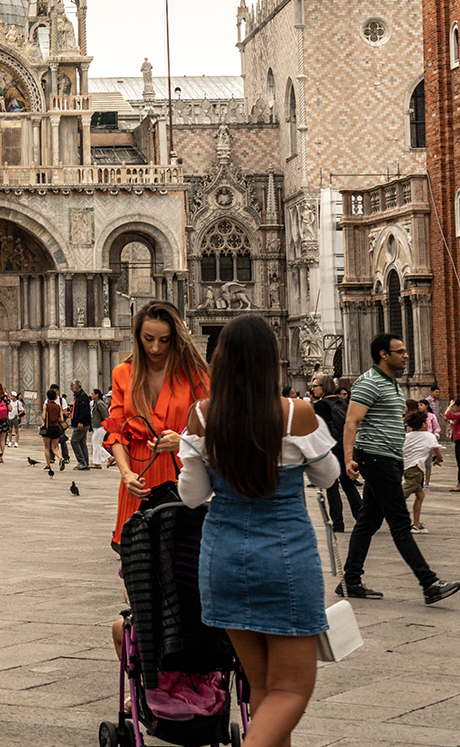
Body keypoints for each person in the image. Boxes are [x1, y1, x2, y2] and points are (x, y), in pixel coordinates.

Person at [178, 314, 338, 747]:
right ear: (271, 360)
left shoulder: (201, 416)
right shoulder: (295, 414)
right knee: (291, 691)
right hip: (285, 557)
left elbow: (191, 496)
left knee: (265, 691)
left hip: (223, 558)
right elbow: (327, 476)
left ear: (221, 361)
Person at [338, 334, 460, 603]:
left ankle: (350, 580)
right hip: (375, 458)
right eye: (400, 351)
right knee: (400, 522)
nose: (406, 355)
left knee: (368, 521)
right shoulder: (368, 382)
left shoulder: (392, 384)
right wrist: (349, 459)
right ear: (383, 354)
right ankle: (429, 583)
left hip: (389, 459)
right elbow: (351, 422)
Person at [103, 300, 210, 547]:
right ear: (137, 336)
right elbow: (117, 431)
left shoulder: (194, 373)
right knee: (135, 564)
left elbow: (214, 427)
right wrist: (126, 473)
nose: (155, 347)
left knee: (177, 561)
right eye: (148, 338)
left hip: (181, 472)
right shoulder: (123, 373)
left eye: (165, 340)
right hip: (137, 476)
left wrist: (182, 440)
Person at [308, 376, 361, 533]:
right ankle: (362, 518)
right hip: (345, 447)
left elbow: (319, 430)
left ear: (324, 387)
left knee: (332, 487)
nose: (313, 389)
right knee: (348, 485)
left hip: (330, 449)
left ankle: (338, 523)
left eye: (315, 386)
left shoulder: (321, 405)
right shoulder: (343, 402)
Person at [403, 410, 442, 532]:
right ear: (423, 424)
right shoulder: (429, 436)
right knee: (400, 495)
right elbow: (438, 455)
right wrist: (437, 461)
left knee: (420, 495)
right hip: (417, 469)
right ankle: (382, 508)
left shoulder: (407, 436)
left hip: (407, 467)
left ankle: (416, 523)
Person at [40, 384, 67, 474]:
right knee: (54, 448)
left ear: (48, 397)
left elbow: (44, 417)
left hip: (48, 428)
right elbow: (62, 419)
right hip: (56, 428)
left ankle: (48, 465)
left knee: (47, 448)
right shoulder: (58, 406)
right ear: (56, 398)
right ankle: (61, 458)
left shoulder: (46, 405)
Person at [69, 379, 93, 469]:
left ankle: (82, 462)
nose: (70, 388)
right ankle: (85, 463)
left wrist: (80, 422)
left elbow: (84, 411)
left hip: (82, 423)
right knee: (82, 443)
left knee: (74, 441)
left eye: (72, 386)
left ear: (77, 386)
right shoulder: (78, 396)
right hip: (81, 423)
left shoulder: (82, 396)